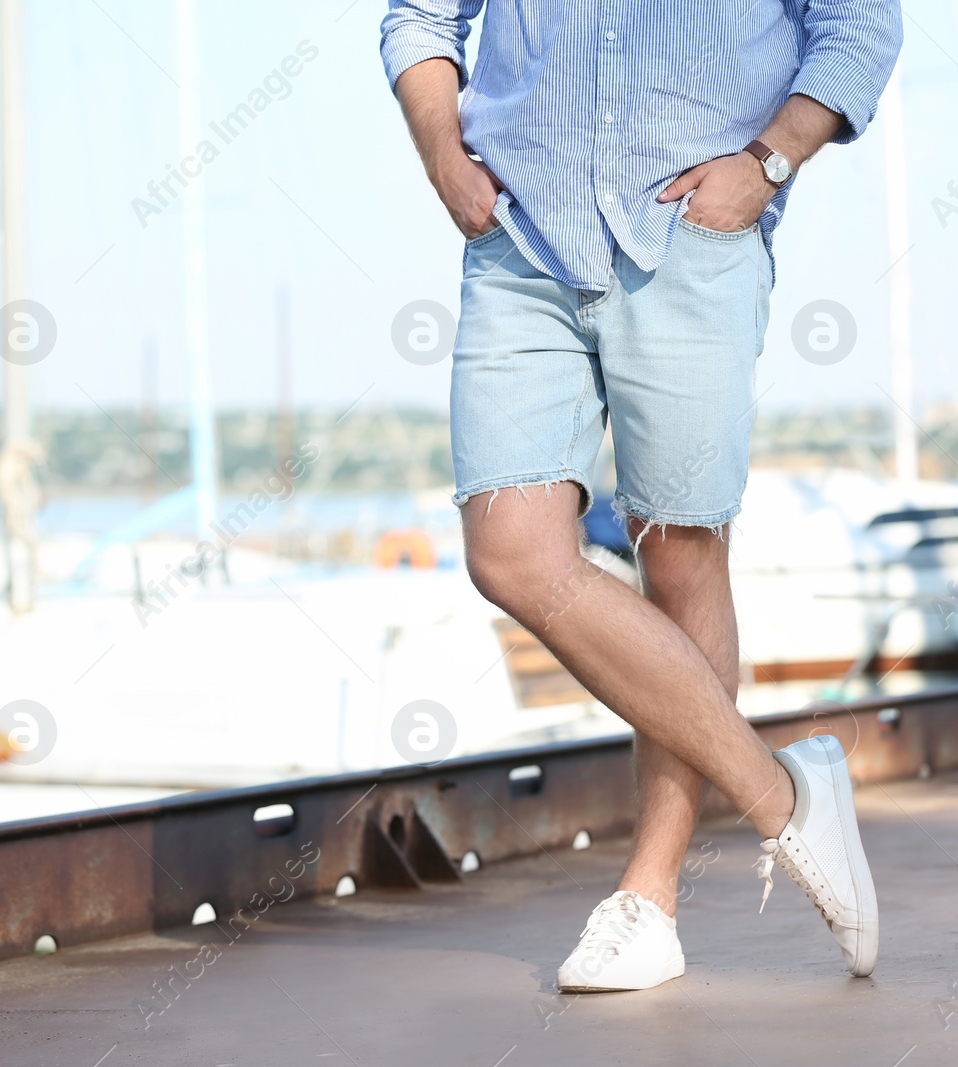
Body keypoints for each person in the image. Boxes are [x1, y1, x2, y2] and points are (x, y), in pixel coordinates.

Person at [381, 0, 902, 991]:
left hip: (691, 233)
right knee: (511, 552)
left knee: (680, 552)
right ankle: (783, 796)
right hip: (517, 234)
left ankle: (649, 899)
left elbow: (859, 22)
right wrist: (444, 154)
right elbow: (419, 18)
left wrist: (769, 163)